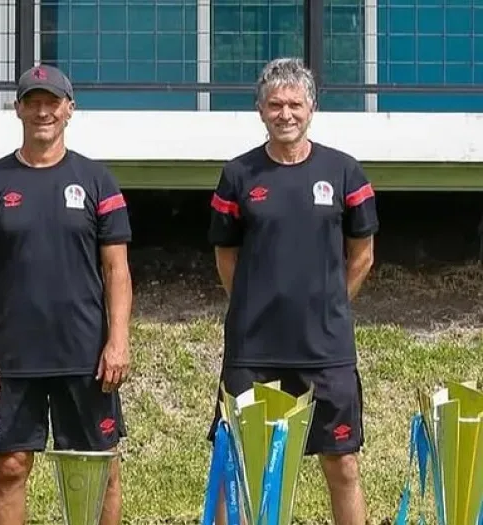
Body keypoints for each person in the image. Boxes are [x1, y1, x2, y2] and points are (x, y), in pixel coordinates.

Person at [0, 64, 133, 525]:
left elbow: (117, 270)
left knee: (99, 471)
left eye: (51, 102)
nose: (42, 111)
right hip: (11, 357)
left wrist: (118, 342)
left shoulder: (97, 181)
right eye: (32, 102)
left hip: (85, 355)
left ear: (70, 110)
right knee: (10, 468)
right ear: (18, 109)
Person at [207, 57, 377, 525]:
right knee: (238, 464)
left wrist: (330, 304)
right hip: (253, 348)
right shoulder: (238, 175)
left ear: (312, 109)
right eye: (276, 104)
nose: (286, 113)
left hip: (325, 349)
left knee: (341, 463)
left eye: (295, 104)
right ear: (260, 111)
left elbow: (362, 254)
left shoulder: (344, 172)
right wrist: (251, 305)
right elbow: (227, 256)